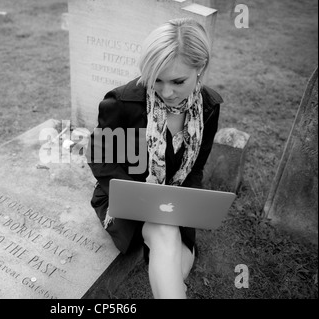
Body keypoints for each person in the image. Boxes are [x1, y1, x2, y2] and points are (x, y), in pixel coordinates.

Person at [87, 18, 223, 299]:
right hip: (124, 199)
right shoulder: (123, 103)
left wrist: (190, 206)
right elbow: (99, 156)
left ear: (201, 68)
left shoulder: (208, 107)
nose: (166, 92)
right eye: (157, 79)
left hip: (174, 201)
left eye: (178, 81)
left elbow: (196, 169)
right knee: (166, 236)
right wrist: (138, 198)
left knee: (179, 259)